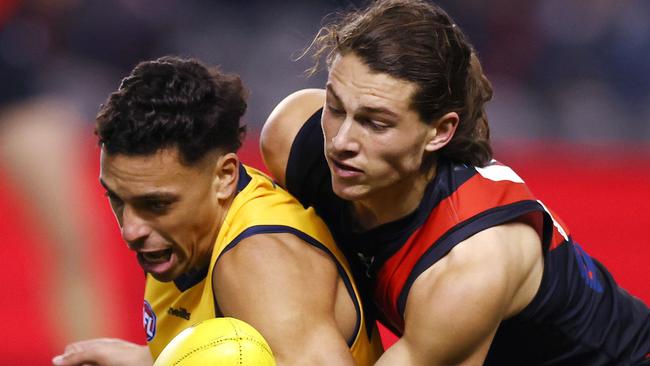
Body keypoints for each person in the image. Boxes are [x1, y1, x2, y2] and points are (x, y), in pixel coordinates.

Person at [260, 0, 650, 365]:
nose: (341, 142)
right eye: (335, 107)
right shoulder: (292, 138)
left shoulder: (469, 264)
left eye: (376, 123)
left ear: (440, 132)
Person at [52, 56, 383, 366]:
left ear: (224, 177)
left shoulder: (262, 267)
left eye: (157, 204)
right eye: (118, 199)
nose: (131, 230)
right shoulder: (187, 228)